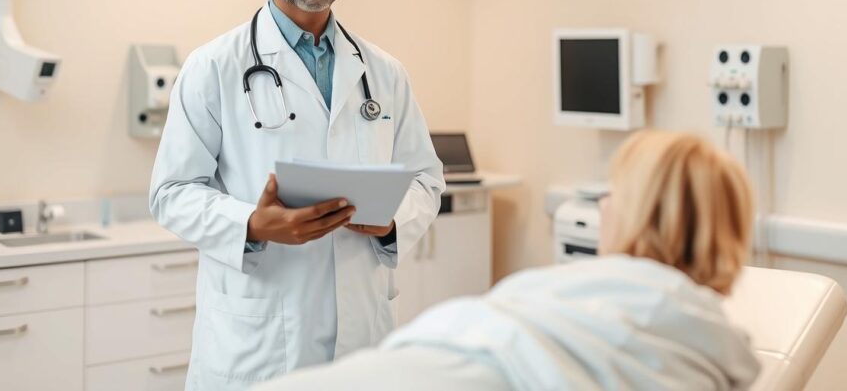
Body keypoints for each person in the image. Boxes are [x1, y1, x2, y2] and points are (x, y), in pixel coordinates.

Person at [149, 0, 444, 390]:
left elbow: (426, 178)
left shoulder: (383, 71)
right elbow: (171, 192)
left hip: (360, 331)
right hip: (260, 337)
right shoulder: (214, 66)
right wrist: (253, 223)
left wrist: (393, 220)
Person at [253, 130, 761, 391]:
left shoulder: (630, 309)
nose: (604, 205)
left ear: (643, 216)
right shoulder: (704, 349)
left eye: (616, 193)